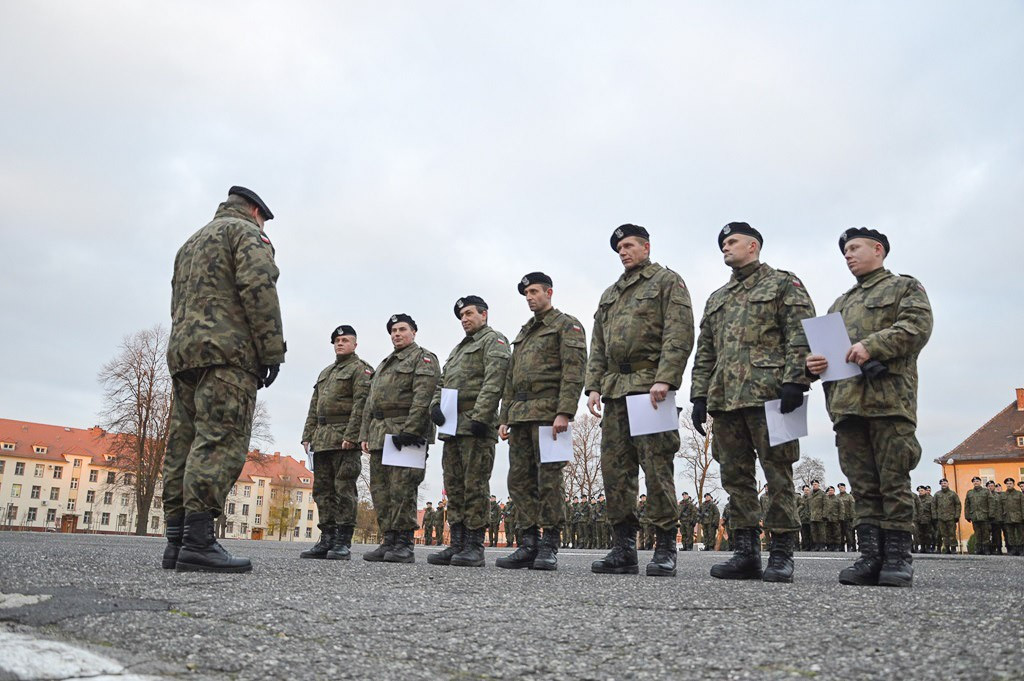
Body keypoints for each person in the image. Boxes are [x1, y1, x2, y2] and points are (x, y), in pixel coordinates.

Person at [164, 186, 285, 573]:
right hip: (227, 353)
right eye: (263, 218)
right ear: (254, 211)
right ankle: (198, 543)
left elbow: (175, 300)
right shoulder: (247, 233)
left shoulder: (190, 242)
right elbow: (259, 288)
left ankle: (176, 541)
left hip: (185, 353)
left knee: (183, 442)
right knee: (220, 439)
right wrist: (271, 351)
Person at [806, 228, 933, 587]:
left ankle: (897, 557)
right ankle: (870, 556)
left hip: (888, 401)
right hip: (847, 406)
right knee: (862, 485)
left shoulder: (904, 288)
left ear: (878, 250)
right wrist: (811, 364)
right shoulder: (839, 304)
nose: (848, 255)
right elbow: (823, 351)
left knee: (892, 479)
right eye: (844, 251)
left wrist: (872, 345)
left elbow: (916, 327)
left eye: (854, 248)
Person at [691, 222, 815, 582]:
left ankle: (781, 552)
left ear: (754, 245)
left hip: (774, 394)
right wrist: (699, 394)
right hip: (726, 400)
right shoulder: (717, 298)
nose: (725, 248)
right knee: (735, 476)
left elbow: (801, 331)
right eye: (722, 244)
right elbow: (706, 351)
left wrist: (796, 379)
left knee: (779, 473)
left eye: (731, 242)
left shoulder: (782, 283)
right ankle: (745, 551)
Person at [586, 224, 695, 577]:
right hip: (616, 390)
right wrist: (593, 387)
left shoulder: (666, 281)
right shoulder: (610, 294)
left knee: (656, 467)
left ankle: (665, 546)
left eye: (629, 245)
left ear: (646, 247)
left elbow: (679, 332)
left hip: (651, 386)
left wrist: (666, 377)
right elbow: (598, 345)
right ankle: (623, 548)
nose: (624, 251)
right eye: (619, 247)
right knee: (615, 471)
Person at [496, 272, 586, 571]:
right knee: (519, 481)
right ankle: (527, 543)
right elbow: (511, 378)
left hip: (550, 415)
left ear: (549, 292)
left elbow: (574, 370)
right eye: (526, 294)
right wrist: (505, 416)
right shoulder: (524, 332)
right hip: (520, 416)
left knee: (549, 480)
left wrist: (565, 411)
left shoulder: (566, 325)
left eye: (534, 291)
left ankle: (549, 544)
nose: (530, 297)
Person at [428, 296, 510, 568]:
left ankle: (474, 546)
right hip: (452, 427)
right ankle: (458, 543)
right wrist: (435, 405)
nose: (464, 319)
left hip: (476, 425)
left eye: (469, 313)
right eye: (461, 315)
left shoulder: (493, 340)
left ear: (484, 314)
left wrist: (482, 416)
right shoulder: (457, 350)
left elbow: (495, 379)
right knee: (454, 486)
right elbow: (442, 382)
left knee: (474, 485)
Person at [360, 314, 440, 563]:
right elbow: (370, 401)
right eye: (393, 330)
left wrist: (412, 430)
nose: (397, 334)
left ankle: (404, 543)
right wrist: (364, 433)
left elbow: (423, 396)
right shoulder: (385, 364)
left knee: (403, 489)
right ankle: (389, 539)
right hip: (380, 434)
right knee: (380, 490)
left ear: (414, 332)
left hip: (407, 433)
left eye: (402, 329)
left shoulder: (423, 358)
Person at [300, 325, 373, 561]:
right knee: (323, 491)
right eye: (337, 340)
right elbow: (314, 405)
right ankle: (327, 538)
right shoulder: (326, 373)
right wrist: (307, 435)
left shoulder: (360, 370)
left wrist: (352, 436)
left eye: (345, 340)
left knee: (344, 490)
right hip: (322, 440)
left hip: (343, 438)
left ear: (355, 344)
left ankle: (343, 541)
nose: (340, 343)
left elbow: (361, 405)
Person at [933, 478, 961, 554]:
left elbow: (958, 505)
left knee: (952, 533)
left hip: (951, 517)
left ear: (948, 484)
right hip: (941, 518)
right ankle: (947, 548)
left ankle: (953, 548)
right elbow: (933, 506)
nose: (943, 484)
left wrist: (957, 515)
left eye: (945, 483)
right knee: (944, 534)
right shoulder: (937, 494)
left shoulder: (953, 494)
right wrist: (935, 516)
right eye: (942, 483)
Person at [964, 476, 991, 555]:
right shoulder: (970, 492)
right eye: (974, 481)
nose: (975, 482)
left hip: (984, 516)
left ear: (980, 482)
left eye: (977, 481)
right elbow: (967, 505)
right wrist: (967, 515)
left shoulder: (986, 491)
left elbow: (991, 503)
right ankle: (978, 549)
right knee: (977, 533)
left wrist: (991, 514)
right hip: (974, 516)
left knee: (986, 533)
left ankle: (986, 549)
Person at [1002, 478, 1023, 556]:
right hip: (1007, 517)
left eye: (1010, 483)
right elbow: (1000, 507)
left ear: (1014, 484)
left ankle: (1021, 549)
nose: (1009, 485)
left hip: (1018, 517)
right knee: (1010, 535)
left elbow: (1022, 506)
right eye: (1007, 483)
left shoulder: (1019, 494)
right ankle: (1013, 549)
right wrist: (1001, 517)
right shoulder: (1003, 495)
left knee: (1020, 534)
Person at [837, 483, 856, 552]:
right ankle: (841, 547)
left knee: (849, 533)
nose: (840, 488)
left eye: (842, 487)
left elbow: (852, 507)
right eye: (839, 487)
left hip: (847, 517)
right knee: (840, 533)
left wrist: (852, 516)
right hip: (839, 518)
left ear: (845, 488)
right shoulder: (837, 497)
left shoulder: (849, 496)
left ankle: (850, 546)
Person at [809, 480, 826, 551]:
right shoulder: (810, 494)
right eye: (813, 484)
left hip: (820, 516)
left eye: (815, 484)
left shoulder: (822, 494)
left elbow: (826, 505)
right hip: (812, 516)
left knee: (821, 532)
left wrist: (824, 515)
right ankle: (816, 545)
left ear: (818, 485)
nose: (814, 485)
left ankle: (822, 546)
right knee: (814, 532)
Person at [798, 485, 812, 550]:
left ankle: (811, 546)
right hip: (803, 519)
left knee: (811, 533)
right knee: (804, 534)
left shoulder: (812, 498)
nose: (806, 491)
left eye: (807, 490)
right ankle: (805, 546)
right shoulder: (801, 498)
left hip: (810, 518)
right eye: (805, 490)